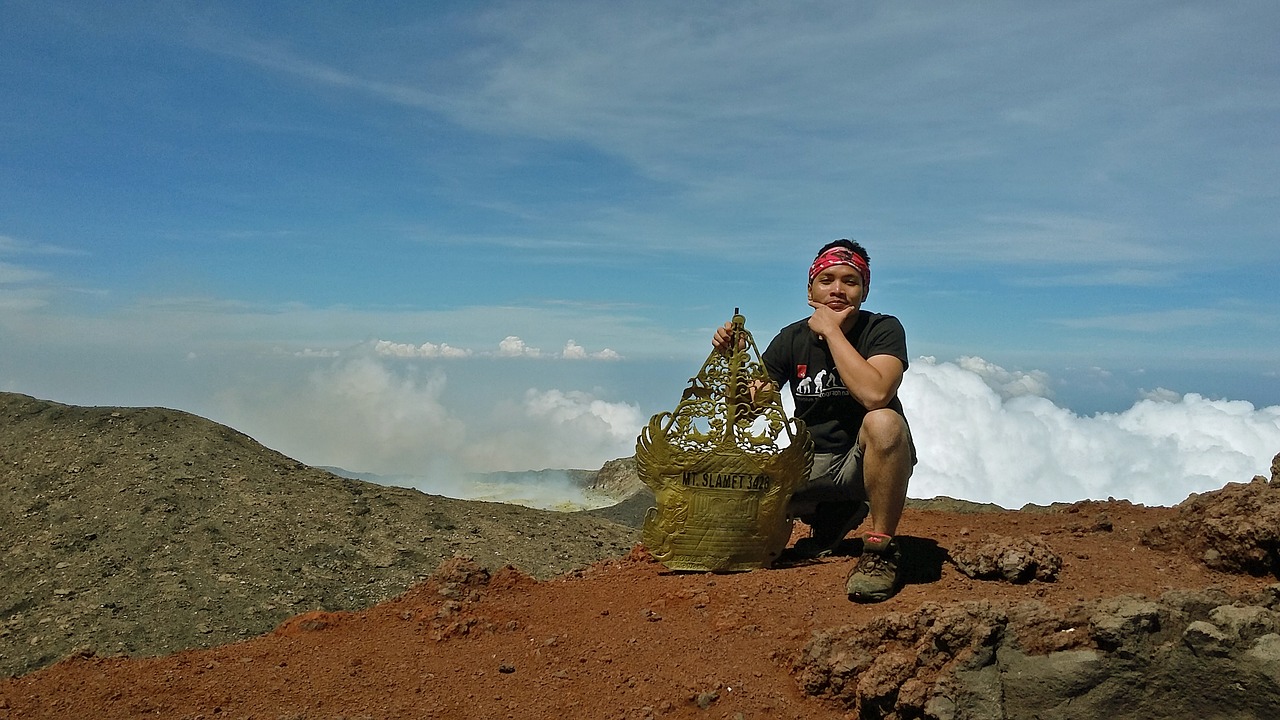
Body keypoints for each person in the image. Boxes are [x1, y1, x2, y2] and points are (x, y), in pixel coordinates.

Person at [712, 239, 915, 602]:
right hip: (808, 463)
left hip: (863, 462)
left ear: (864, 290)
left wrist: (832, 332)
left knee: (884, 422)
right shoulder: (791, 339)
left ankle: (880, 551)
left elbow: (875, 393)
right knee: (741, 528)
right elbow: (749, 409)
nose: (838, 289)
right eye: (827, 280)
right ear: (810, 289)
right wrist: (732, 364)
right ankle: (834, 514)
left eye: (850, 281)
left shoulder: (882, 330)